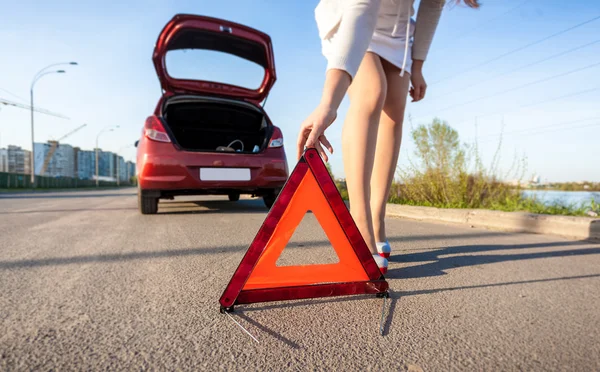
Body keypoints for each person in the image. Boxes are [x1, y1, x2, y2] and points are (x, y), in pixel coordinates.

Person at [296, 0, 479, 274]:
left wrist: (417, 66)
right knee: (372, 92)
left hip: (399, 33)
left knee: (395, 111)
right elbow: (362, 10)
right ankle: (358, 222)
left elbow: (432, 7)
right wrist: (328, 104)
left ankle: (377, 216)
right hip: (350, 18)